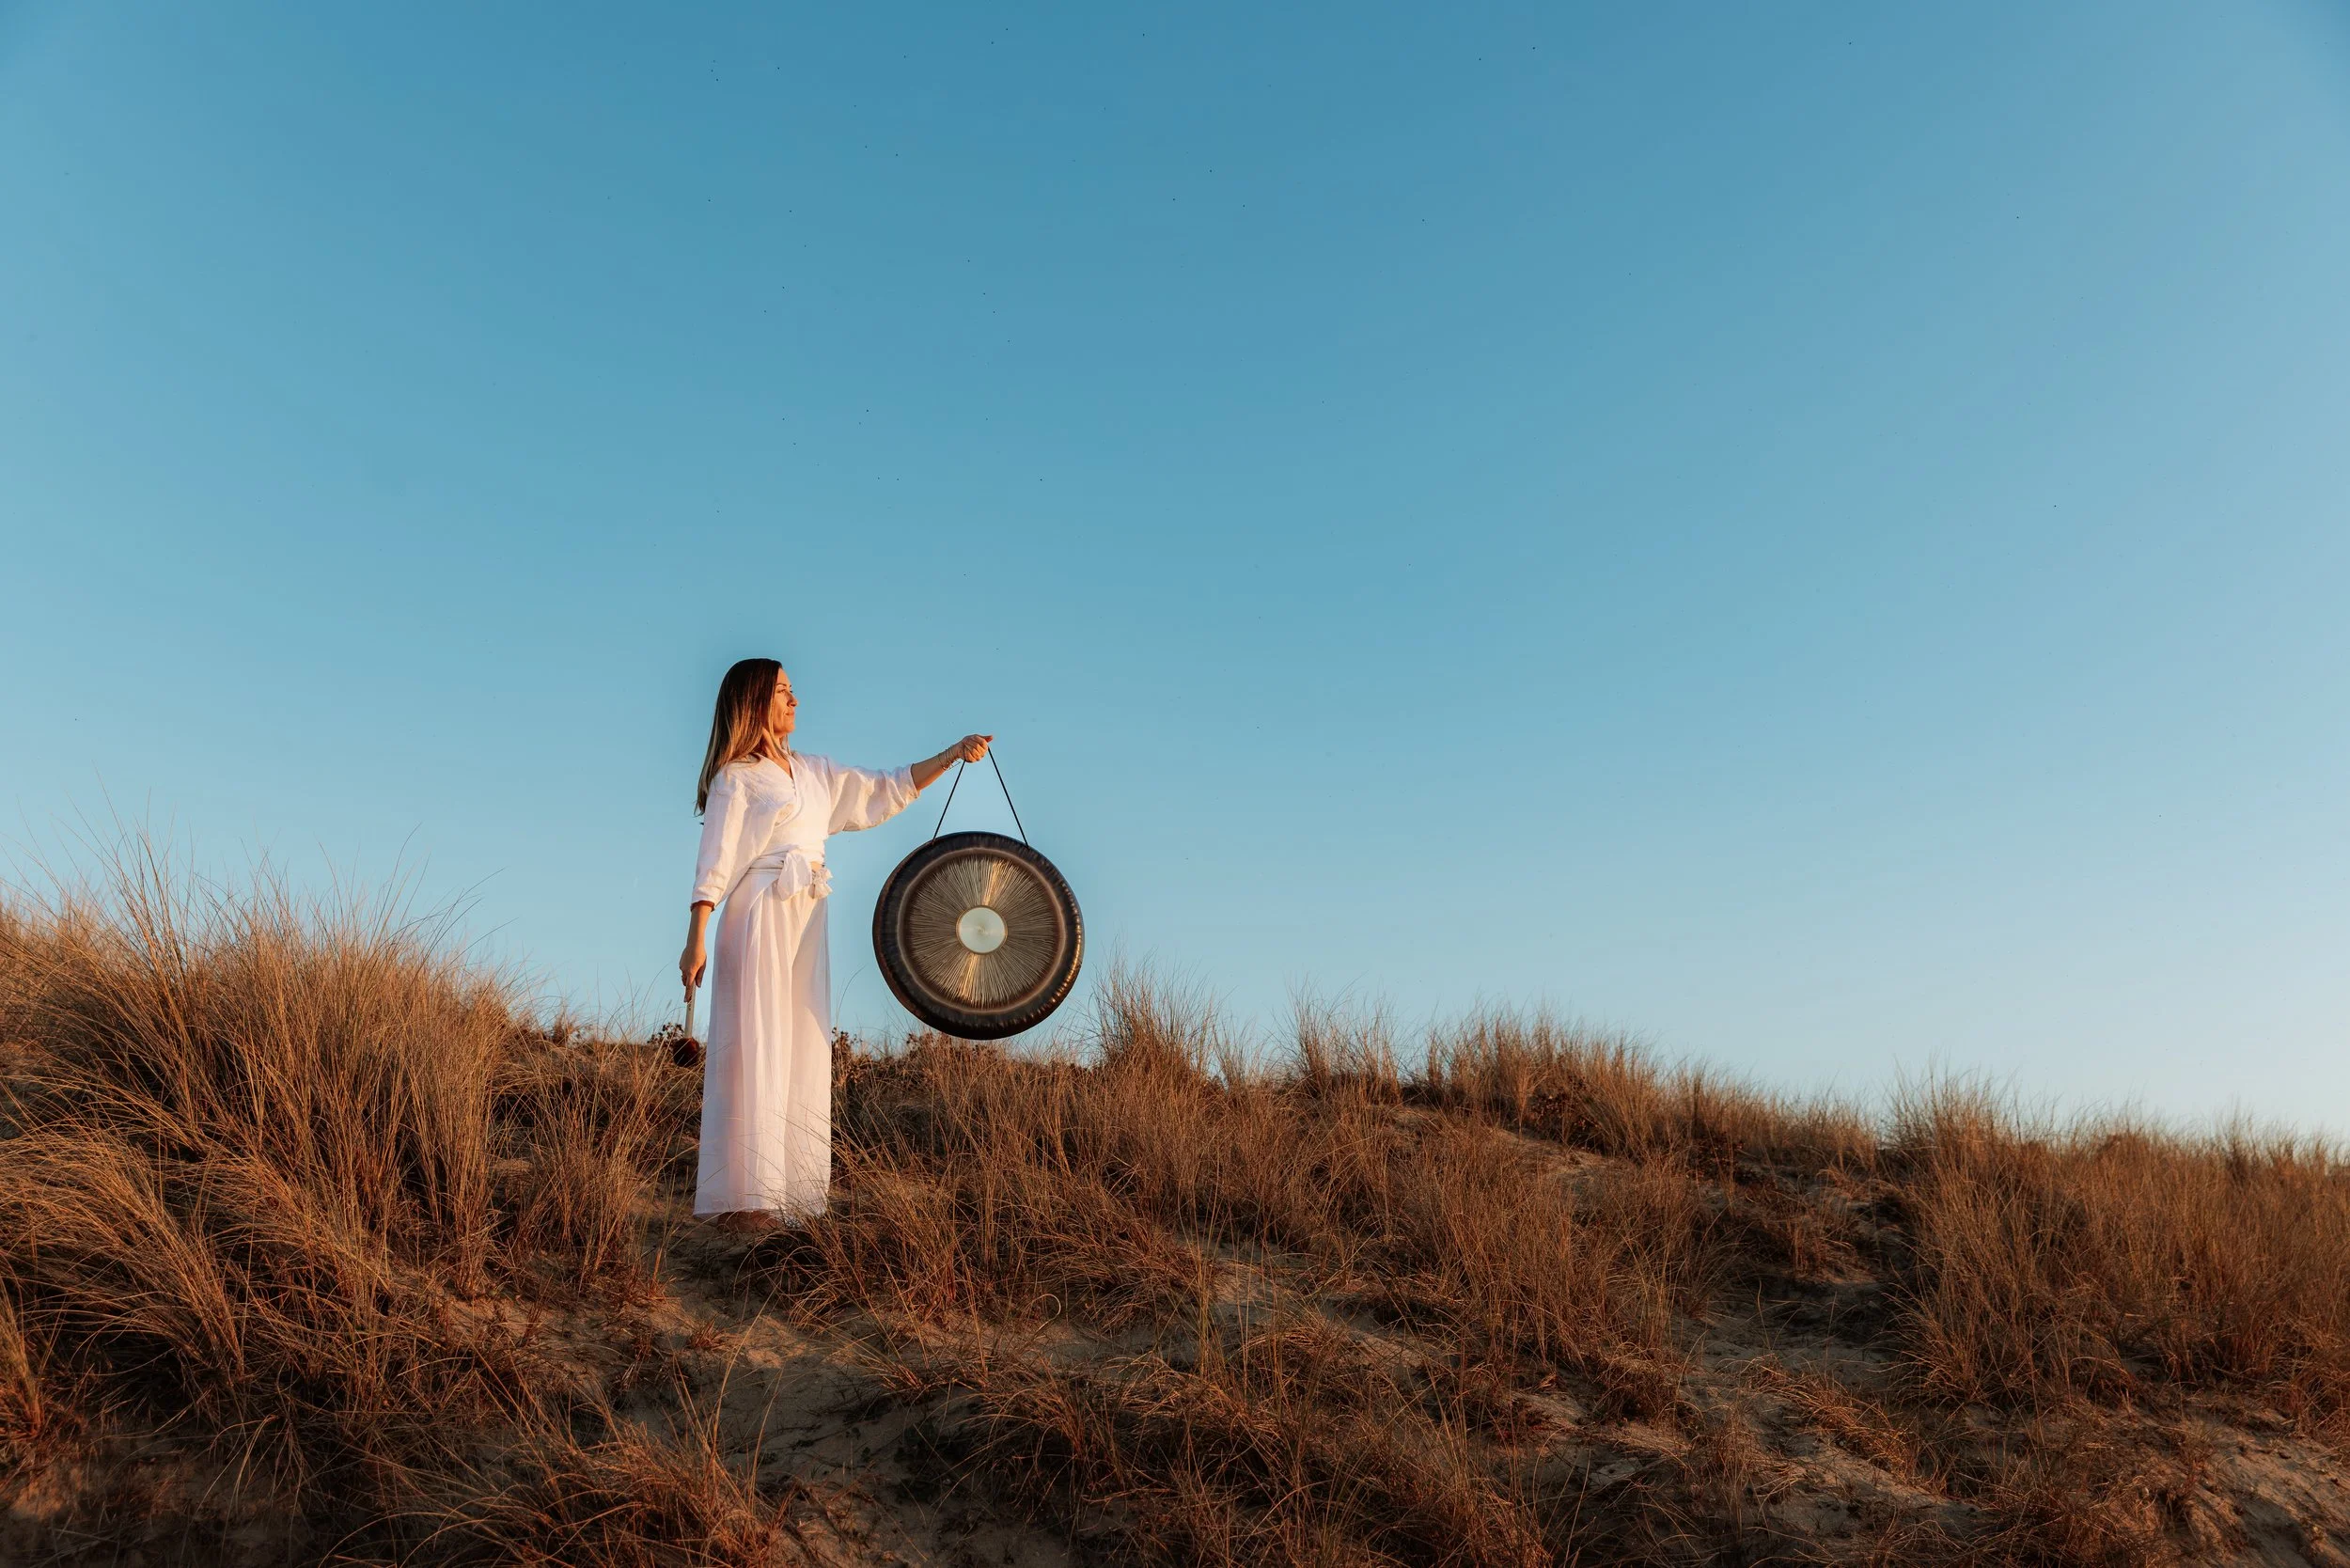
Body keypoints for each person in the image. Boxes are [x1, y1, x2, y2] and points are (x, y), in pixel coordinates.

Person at [680, 656, 988, 1228]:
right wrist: (695, 937)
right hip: (759, 915)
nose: (794, 700)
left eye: (793, 690)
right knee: (755, 1044)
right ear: (753, 703)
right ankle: (745, 1199)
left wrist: (950, 755)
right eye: (781, 691)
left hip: (806, 917)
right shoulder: (736, 777)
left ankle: (789, 1195)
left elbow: (882, 788)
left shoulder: (815, 771)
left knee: (801, 1040)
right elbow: (715, 861)